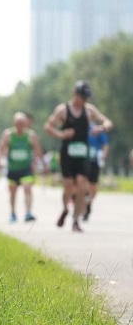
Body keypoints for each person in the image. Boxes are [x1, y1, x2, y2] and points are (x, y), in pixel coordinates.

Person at [44, 80, 113, 232]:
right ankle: (65, 209)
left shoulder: (89, 110)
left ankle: (76, 221)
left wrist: (101, 128)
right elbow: (48, 126)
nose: (84, 100)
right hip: (67, 153)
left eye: (86, 98)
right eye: (83, 97)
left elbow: (107, 122)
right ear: (75, 94)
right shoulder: (63, 110)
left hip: (83, 153)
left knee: (82, 185)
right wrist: (61, 134)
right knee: (68, 186)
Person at [0, 112, 43, 222]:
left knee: (27, 188)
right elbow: (0, 148)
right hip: (13, 168)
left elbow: (37, 150)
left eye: (22, 123)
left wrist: (38, 162)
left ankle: (28, 213)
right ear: (14, 123)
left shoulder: (31, 135)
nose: (20, 126)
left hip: (26, 168)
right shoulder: (8, 134)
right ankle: (13, 213)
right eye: (17, 123)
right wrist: (0, 160)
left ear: (25, 124)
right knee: (13, 192)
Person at [83, 122, 109, 221]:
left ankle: (88, 203)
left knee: (93, 186)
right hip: (82, 160)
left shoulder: (97, 129)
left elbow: (105, 144)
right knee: (83, 182)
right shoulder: (78, 128)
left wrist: (103, 155)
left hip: (94, 161)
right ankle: (83, 206)